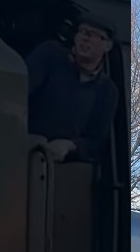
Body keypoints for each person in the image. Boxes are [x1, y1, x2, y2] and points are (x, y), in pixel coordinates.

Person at [25, 13, 120, 163]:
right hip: (24, 153)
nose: (85, 38)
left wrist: (70, 146)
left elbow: (96, 141)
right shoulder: (50, 55)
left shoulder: (107, 90)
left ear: (107, 45)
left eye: (92, 35)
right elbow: (18, 92)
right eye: (82, 32)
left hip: (62, 170)